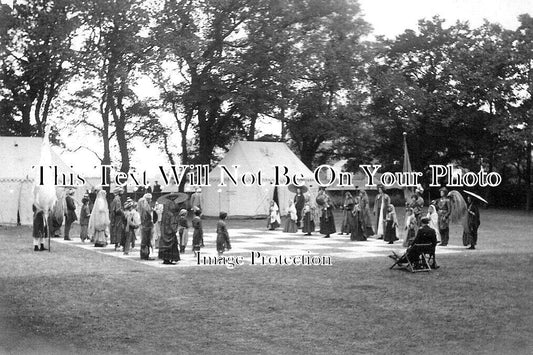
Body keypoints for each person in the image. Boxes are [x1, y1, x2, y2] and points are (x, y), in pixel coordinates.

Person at [158, 195, 181, 265]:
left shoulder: (165, 214)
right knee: (171, 244)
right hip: (169, 232)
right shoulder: (171, 214)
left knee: (166, 244)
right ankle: (169, 258)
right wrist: (174, 229)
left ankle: (166, 258)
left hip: (165, 231)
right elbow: (172, 224)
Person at [138, 193, 154, 260]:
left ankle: (143, 254)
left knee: (143, 241)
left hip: (143, 226)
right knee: (147, 240)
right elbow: (150, 218)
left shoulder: (142, 210)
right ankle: (146, 255)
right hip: (147, 226)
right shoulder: (146, 209)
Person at [110, 187, 125, 251]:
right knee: (119, 230)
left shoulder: (115, 199)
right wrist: (123, 213)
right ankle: (118, 244)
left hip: (115, 217)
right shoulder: (117, 199)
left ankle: (117, 244)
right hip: (118, 217)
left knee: (116, 230)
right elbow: (118, 210)